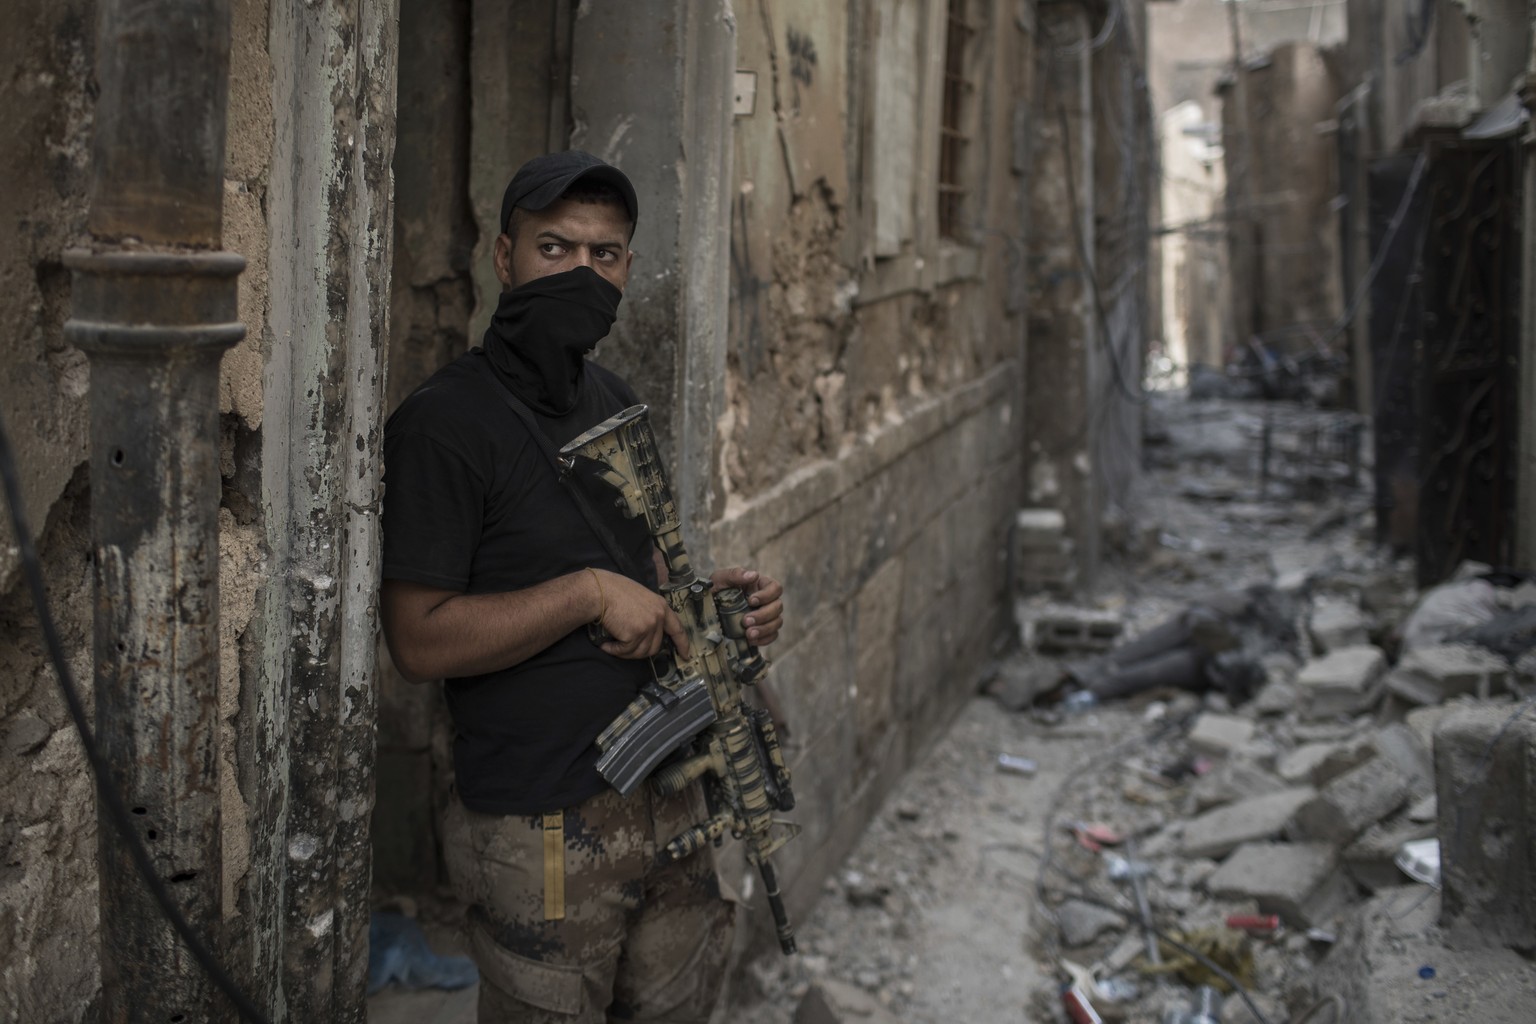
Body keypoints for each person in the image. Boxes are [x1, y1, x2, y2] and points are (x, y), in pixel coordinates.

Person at [379, 150, 785, 1023]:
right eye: (554, 249)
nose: (579, 272)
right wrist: (587, 593)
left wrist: (710, 606)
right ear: (504, 258)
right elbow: (416, 640)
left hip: (670, 798)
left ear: (628, 269)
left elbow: (649, 580)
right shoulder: (444, 425)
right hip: (542, 825)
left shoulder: (616, 402)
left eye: (603, 256)